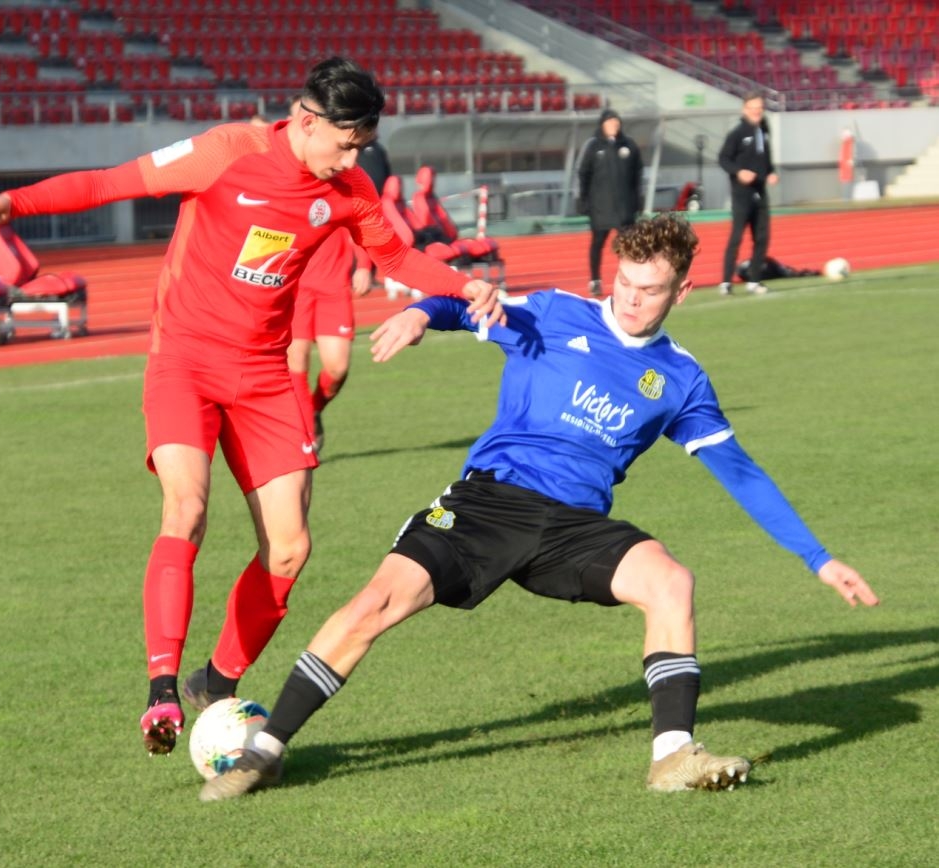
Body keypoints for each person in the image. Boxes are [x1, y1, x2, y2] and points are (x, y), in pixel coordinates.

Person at [197, 213, 880, 802]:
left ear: (681, 290)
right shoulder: (556, 313)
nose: (632, 301)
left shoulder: (680, 378)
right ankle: (265, 751)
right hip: (488, 502)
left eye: (649, 291)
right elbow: (459, 304)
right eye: (624, 284)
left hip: (574, 529)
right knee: (375, 604)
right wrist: (415, 312)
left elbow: (742, 474)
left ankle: (672, 755)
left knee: (670, 581)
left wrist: (817, 559)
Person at [0, 56, 502, 757]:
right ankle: (160, 689)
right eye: (346, 141)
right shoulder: (224, 151)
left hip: (265, 376)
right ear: (304, 122)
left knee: (291, 547)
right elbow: (108, 182)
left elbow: (394, 257)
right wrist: (11, 204)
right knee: (186, 507)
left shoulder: (349, 188)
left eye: (362, 144)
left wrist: (460, 284)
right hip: (184, 360)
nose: (354, 156)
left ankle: (218, 679)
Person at [285, 95, 373, 453]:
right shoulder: (285, 173)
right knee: (296, 365)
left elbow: (365, 224)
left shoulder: (341, 174)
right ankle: (304, 437)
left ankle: (314, 411)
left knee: (336, 369)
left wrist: (365, 265)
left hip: (334, 285)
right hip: (296, 288)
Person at [577, 108, 642, 297]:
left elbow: (637, 174)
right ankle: (595, 280)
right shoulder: (593, 146)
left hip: (624, 207)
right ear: (602, 125)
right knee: (597, 243)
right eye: (610, 123)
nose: (614, 126)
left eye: (616, 122)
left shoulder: (629, 145)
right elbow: (583, 174)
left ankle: (630, 279)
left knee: (629, 246)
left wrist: (637, 200)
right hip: (600, 207)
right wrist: (583, 200)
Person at [718, 92, 778, 296]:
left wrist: (771, 172)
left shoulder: (764, 129)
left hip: (760, 192)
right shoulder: (737, 133)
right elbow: (723, 158)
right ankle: (726, 281)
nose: (756, 112)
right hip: (742, 193)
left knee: (762, 237)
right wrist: (739, 172)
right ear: (745, 109)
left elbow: (766, 157)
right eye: (753, 108)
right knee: (736, 237)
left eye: (759, 108)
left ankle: (754, 280)